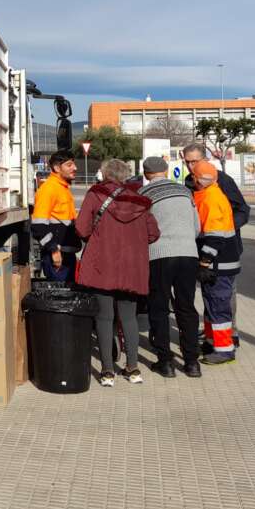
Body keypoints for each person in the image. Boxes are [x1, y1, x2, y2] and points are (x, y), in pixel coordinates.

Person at [75, 158, 160, 386]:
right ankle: (133, 369)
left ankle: (107, 372)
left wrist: (97, 238)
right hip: (132, 267)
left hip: (103, 265)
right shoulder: (140, 201)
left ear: (103, 174)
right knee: (129, 317)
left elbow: (82, 227)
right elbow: (153, 234)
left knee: (104, 318)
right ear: (125, 176)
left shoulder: (95, 194)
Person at [140, 157, 202, 378]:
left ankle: (165, 362)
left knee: (159, 308)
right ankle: (192, 362)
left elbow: (142, 229)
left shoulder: (144, 195)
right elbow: (197, 227)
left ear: (146, 174)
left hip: (159, 255)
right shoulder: (186, 192)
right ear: (166, 171)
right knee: (186, 307)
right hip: (188, 254)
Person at [182, 143, 249, 345]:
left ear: (205, 160)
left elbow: (243, 210)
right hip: (203, 247)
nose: (191, 166)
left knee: (225, 294)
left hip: (225, 246)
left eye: (195, 161)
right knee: (209, 292)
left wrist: (222, 228)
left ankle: (231, 334)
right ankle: (213, 331)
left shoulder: (222, 180)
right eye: (188, 162)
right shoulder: (189, 181)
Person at [192, 161, 241, 365]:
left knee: (218, 305)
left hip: (218, 264)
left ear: (198, 179)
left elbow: (214, 236)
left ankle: (224, 350)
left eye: (193, 175)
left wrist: (204, 262)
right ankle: (213, 342)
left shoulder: (211, 199)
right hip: (221, 262)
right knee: (212, 304)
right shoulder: (210, 193)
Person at [31, 150, 81, 281]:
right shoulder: (49, 189)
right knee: (60, 297)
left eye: (74, 164)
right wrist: (54, 250)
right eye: (69, 165)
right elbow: (38, 226)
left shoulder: (62, 188)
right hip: (57, 257)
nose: (75, 168)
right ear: (57, 168)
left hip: (66, 254)